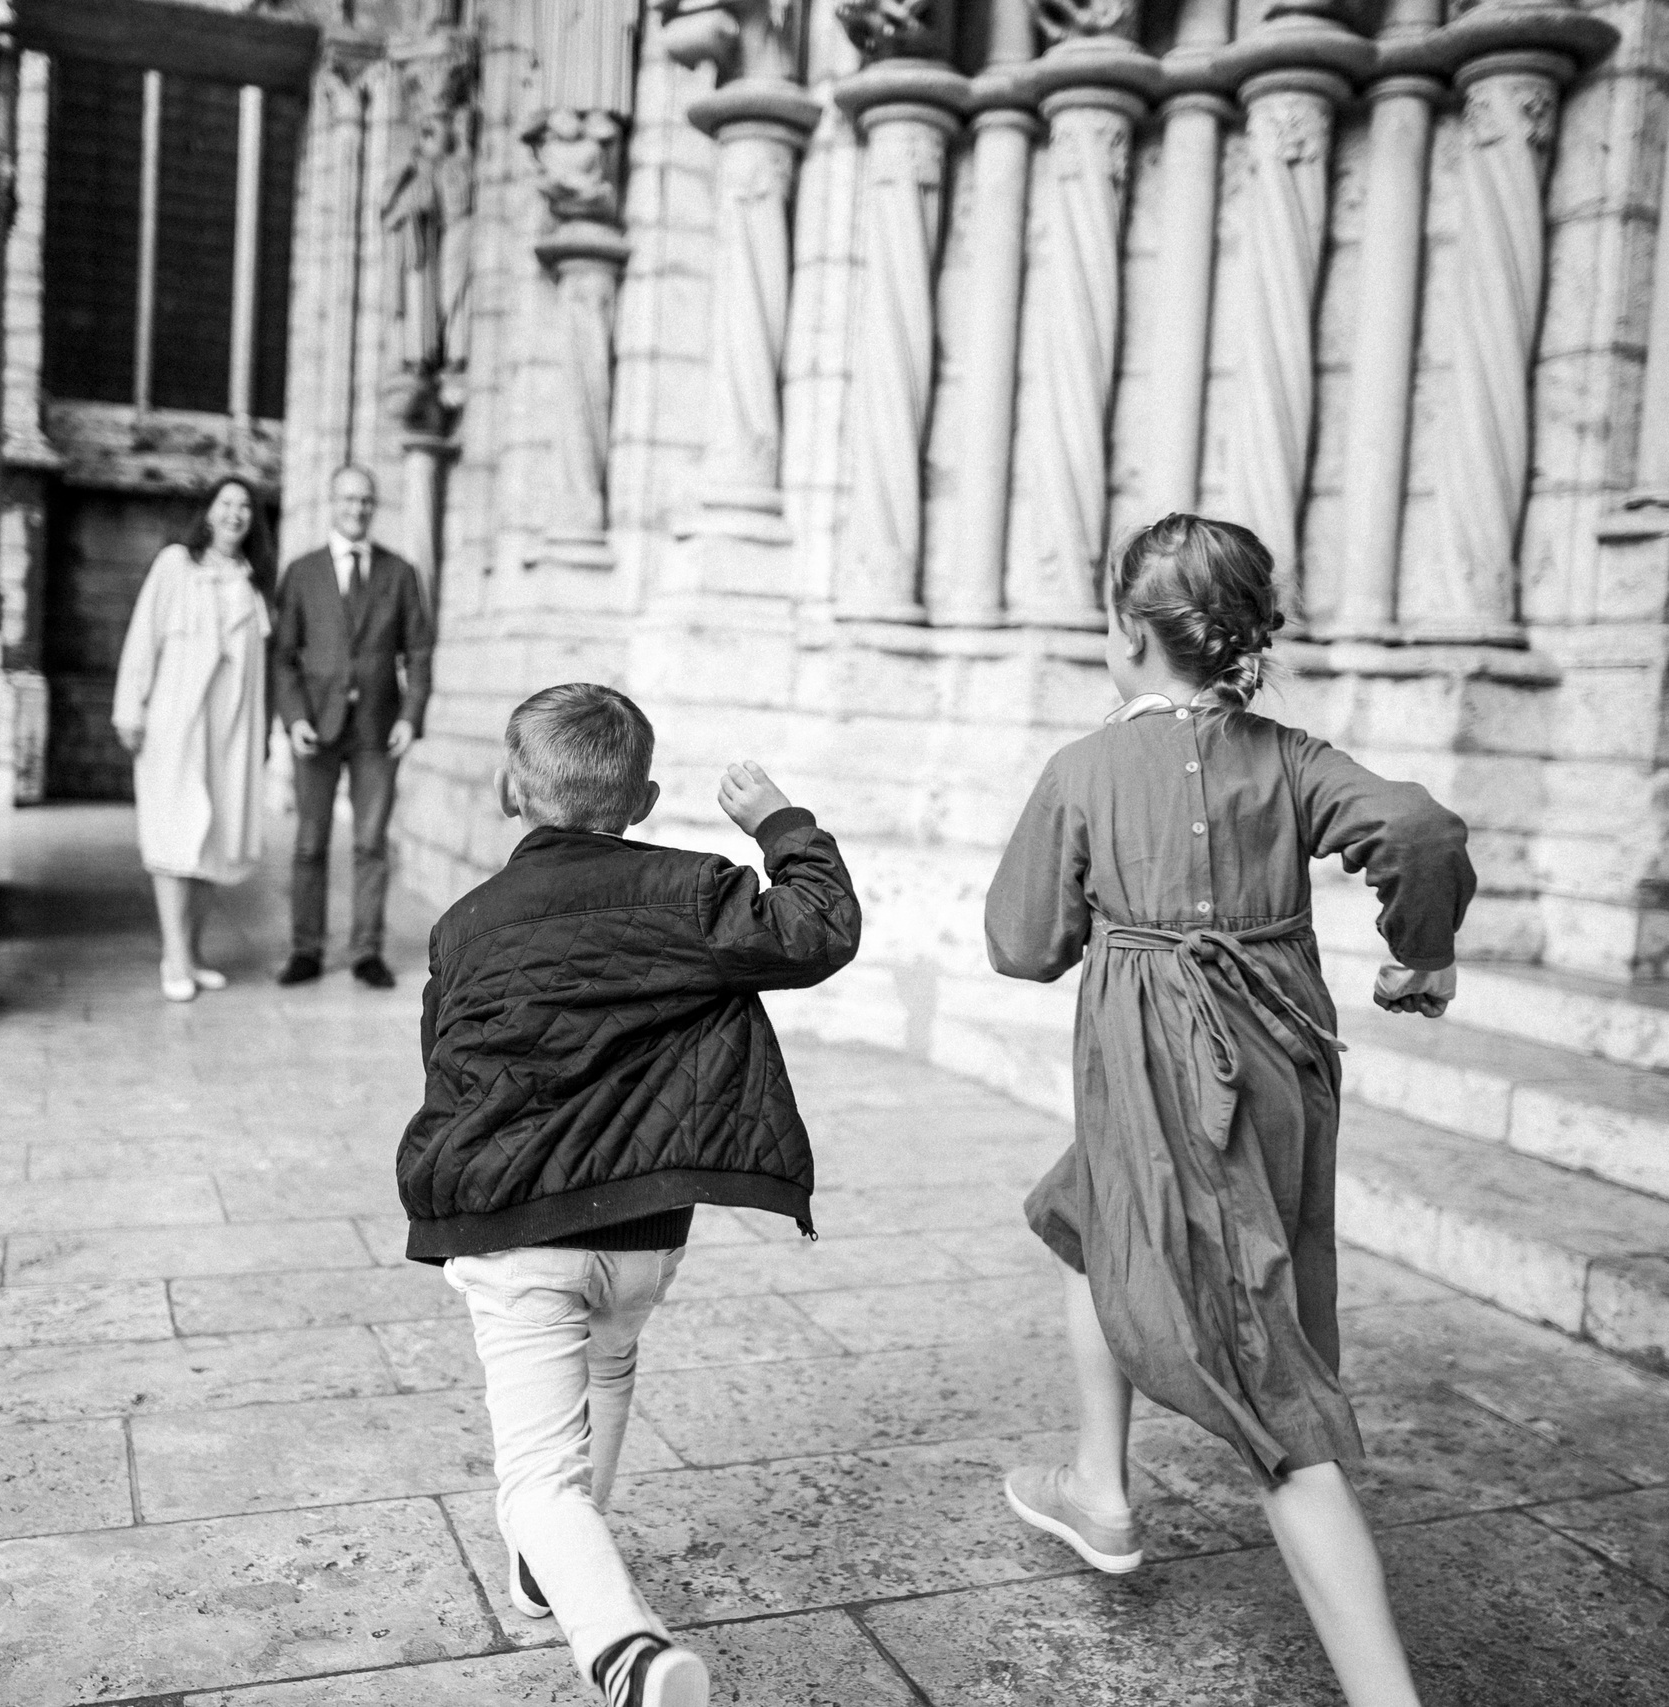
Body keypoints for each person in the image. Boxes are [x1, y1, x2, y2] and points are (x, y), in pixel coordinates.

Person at [984, 514, 1473, 1707]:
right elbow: (1417, 827)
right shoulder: (1293, 758)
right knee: (1089, 1206)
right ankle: (1101, 1489)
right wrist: (1421, 955)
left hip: (1162, 1064)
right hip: (1275, 1058)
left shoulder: (1084, 771)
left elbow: (1017, 944)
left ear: (1126, 631)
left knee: (1267, 1374)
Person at [398, 684, 862, 1707]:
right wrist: (779, 826)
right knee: (608, 1368)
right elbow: (819, 927)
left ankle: (627, 1653)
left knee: (537, 1478)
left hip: (514, 1223)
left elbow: (445, 1057)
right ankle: (549, 1571)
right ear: (643, 799)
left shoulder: (463, 926)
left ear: (507, 787)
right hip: (644, 1232)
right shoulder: (693, 890)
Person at [112, 478, 277, 1004]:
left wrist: (264, 736)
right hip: (176, 722)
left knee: (214, 840)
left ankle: (195, 951)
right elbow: (144, 636)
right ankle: (175, 956)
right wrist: (129, 708)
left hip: (231, 731)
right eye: (226, 503)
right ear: (208, 512)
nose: (235, 513)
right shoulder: (175, 566)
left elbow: (261, 672)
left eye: (245, 506)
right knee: (172, 835)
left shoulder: (254, 584)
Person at [272, 465, 435, 990]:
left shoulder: (400, 572)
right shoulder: (302, 572)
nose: (357, 508)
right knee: (309, 844)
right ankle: (306, 950)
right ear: (332, 502)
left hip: (378, 729)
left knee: (370, 843)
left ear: (374, 506)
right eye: (348, 499)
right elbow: (283, 658)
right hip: (314, 728)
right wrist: (293, 717)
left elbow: (419, 651)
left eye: (366, 500)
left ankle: (367, 951)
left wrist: (411, 717)